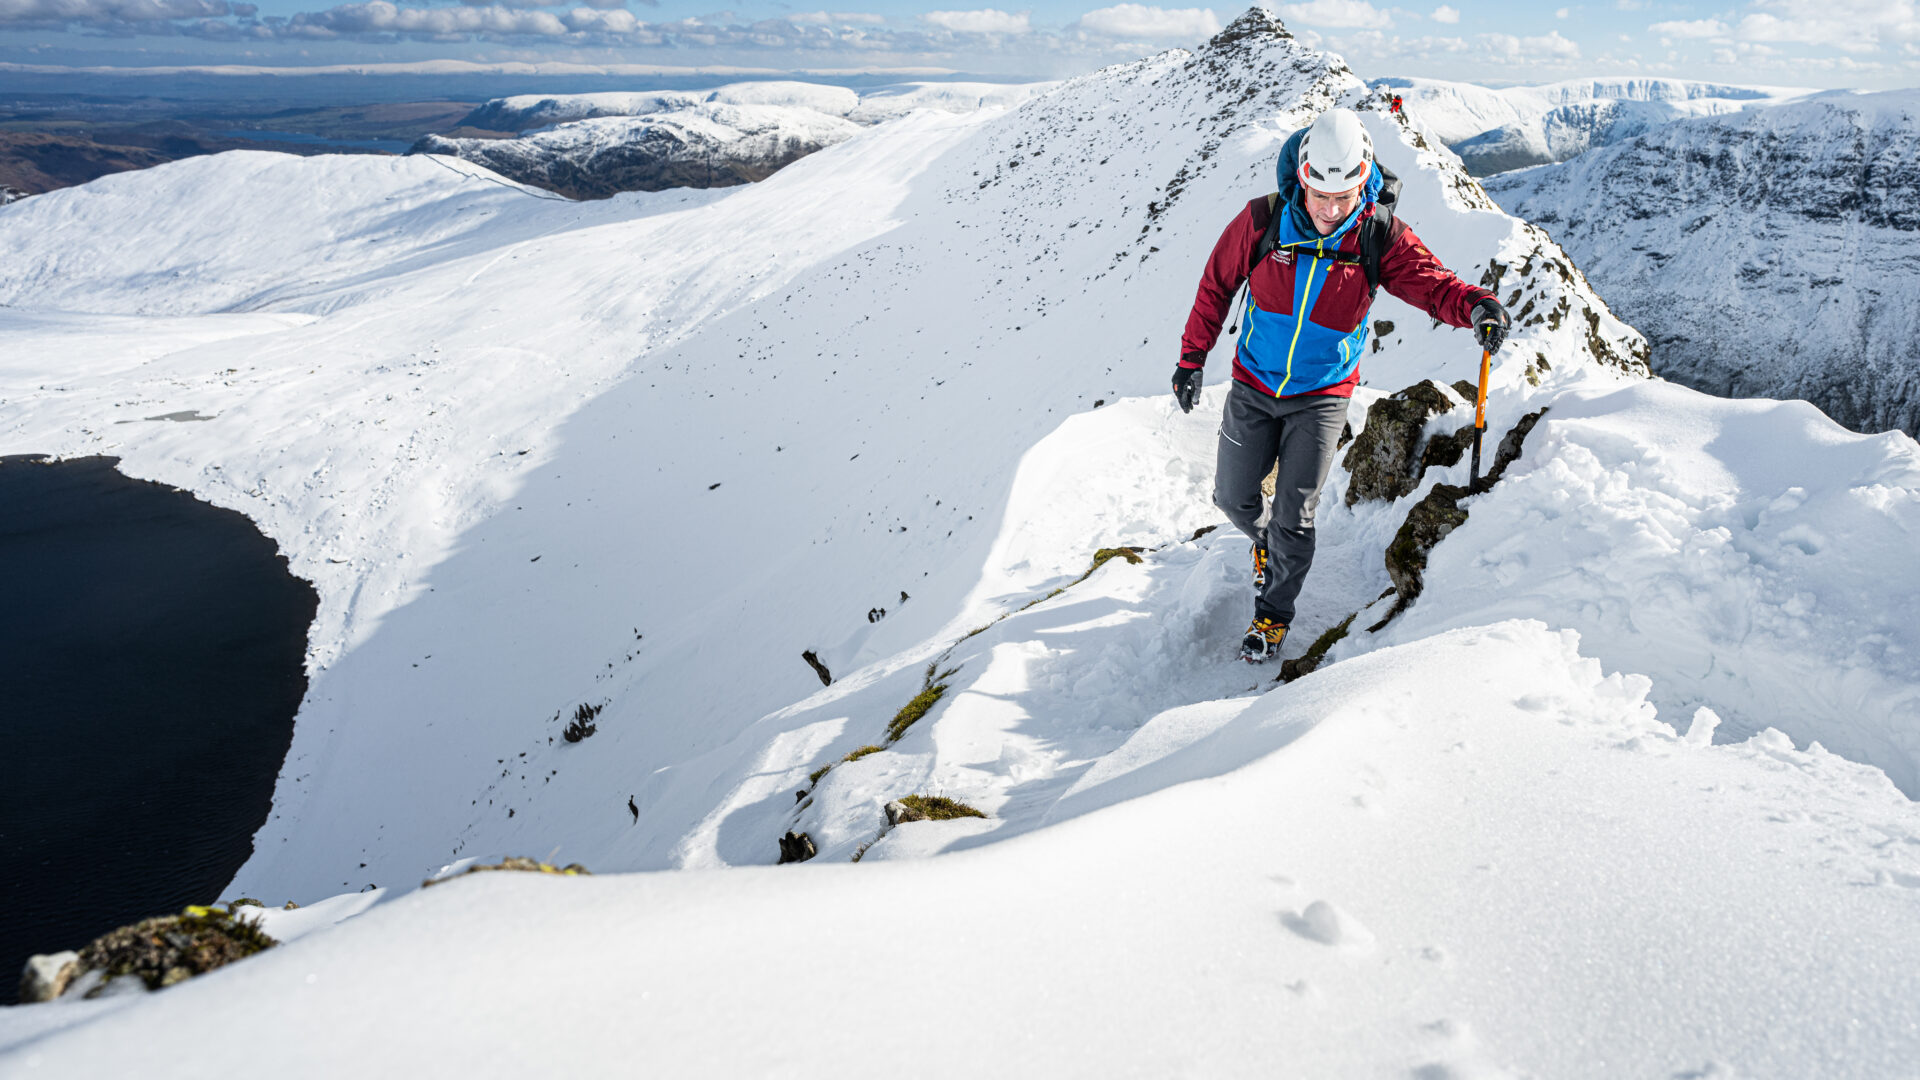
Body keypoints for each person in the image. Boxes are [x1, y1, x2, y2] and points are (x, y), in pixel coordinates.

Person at [1172, 107, 1509, 663]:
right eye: (1318, 197)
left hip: (1323, 396)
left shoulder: (1378, 236)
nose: (1330, 211)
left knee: (1295, 515)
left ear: (1363, 184)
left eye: (1343, 199)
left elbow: (1434, 284)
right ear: (1301, 179)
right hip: (1254, 382)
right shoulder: (1262, 221)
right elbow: (1216, 286)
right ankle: (1267, 547)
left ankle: (1272, 616)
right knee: (1233, 499)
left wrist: (1475, 305)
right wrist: (1191, 359)